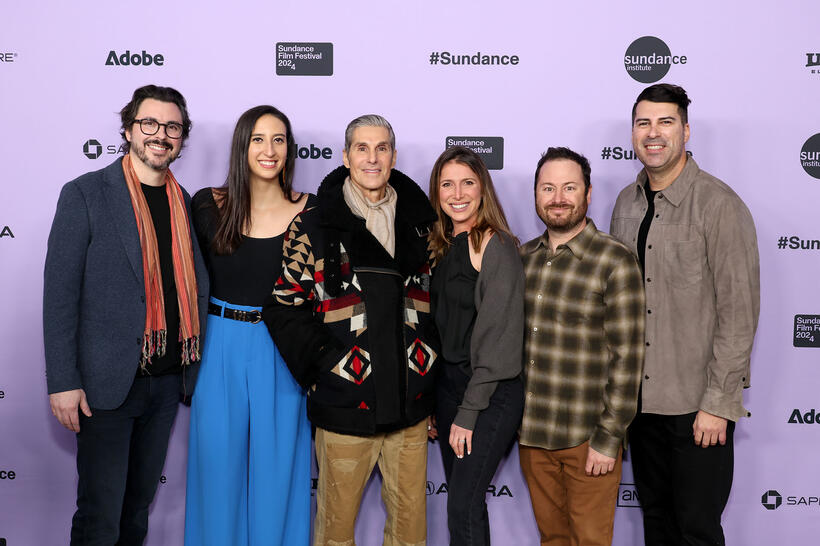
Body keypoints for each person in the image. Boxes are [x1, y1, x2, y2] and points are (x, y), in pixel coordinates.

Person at [262, 114, 439, 546]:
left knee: (411, 533)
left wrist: (430, 376)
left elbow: (438, 306)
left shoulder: (423, 226)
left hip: (411, 410)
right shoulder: (313, 224)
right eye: (362, 148)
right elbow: (284, 304)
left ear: (394, 157)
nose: (372, 158)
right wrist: (326, 362)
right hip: (344, 405)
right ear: (345, 156)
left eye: (382, 148)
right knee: (335, 534)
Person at [44, 84, 208, 545]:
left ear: (182, 137)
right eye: (149, 123)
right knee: (100, 518)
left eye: (172, 127)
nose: (161, 135)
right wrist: (63, 380)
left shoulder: (186, 203)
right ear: (129, 130)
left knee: (136, 511)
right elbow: (60, 296)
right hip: (104, 387)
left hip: (166, 383)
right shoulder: (85, 194)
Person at [609, 83, 760, 546]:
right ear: (633, 133)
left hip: (698, 406)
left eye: (665, 122)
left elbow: (739, 313)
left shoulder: (719, 205)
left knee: (697, 532)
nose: (653, 133)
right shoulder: (625, 204)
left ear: (686, 131)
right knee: (657, 525)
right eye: (643, 123)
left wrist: (717, 403)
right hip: (640, 407)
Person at [184, 106, 311, 545]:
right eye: (258, 139)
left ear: (289, 149)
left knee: (279, 472)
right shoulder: (206, 204)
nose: (269, 149)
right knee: (217, 472)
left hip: (283, 348)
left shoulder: (311, 211)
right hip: (219, 346)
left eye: (278, 139)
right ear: (242, 146)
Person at [518, 147, 645, 546]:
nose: (558, 198)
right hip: (532, 436)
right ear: (536, 194)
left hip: (587, 438)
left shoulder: (615, 260)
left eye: (569, 187)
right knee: (551, 539)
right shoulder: (522, 259)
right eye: (548, 188)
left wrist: (608, 439)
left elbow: (628, 359)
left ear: (588, 194)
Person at [427, 145, 525, 546]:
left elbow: (499, 341)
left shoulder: (495, 244)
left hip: (489, 393)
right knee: (463, 507)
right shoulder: (439, 245)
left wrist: (468, 412)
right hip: (449, 390)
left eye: (467, 183)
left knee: (463, 506)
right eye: (447, 184)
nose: (457, 194)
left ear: (482, 188)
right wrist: (433, 403)